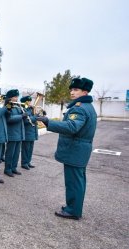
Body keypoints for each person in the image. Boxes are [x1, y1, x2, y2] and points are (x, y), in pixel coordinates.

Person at [37, 77, 97, 220]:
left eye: (75, 90)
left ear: (85, 92)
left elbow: (72, 127)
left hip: (75, 150)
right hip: (80, 150)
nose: (72, 92)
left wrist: (48, 122)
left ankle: (72, 211)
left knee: (74, 182)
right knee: (78, 181)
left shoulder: (80, 108)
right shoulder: (87, 106)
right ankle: (74, 207)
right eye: (71, 89)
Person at [4, 89, 26, 177]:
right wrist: (21, 116)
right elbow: (9, 119)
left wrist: (25, 113)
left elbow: (21, 117)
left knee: (16, 152)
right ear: (10, 97)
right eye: (15, 97)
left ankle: (14, 167)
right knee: (10, 152)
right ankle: (8, 169)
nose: (16, 98)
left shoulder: (18, 106)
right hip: (12, 133)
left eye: (17, 97)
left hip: (19, 133)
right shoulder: (8, 105)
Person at [20, 95, 38, 170]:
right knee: (25, 149)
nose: (30, 102)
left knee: (30, 149)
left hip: (32, 131)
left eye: (30, 101)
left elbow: (33, 118)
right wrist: (35, 117)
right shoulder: (23, 109)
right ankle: (24, 163)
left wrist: (37, 114)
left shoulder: (30, 109)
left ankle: (28, 162)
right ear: (25, 102)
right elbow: (26, 121)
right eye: (29, 101)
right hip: (27, 132)